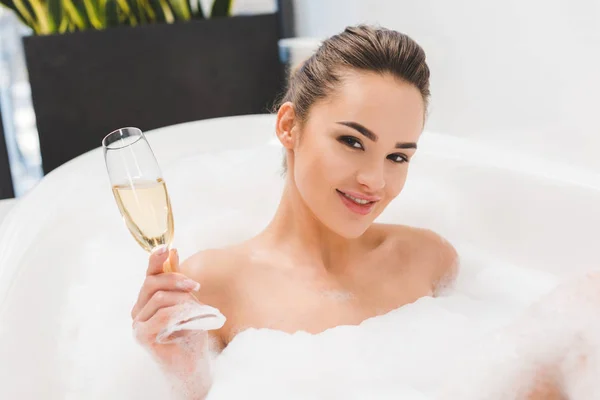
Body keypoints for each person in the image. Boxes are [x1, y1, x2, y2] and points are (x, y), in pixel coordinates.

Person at [129, 25, 563, 400]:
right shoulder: (214, 286)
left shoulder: (429, 259)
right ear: (288, 127)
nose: (375, 180)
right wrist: (179, 374)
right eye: (353, 142)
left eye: (398, 157)